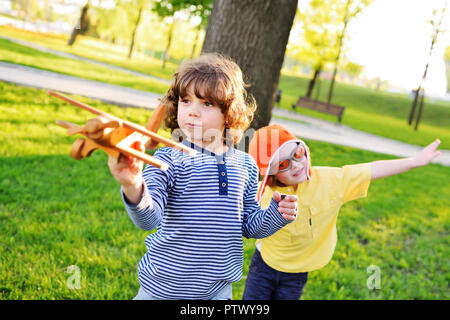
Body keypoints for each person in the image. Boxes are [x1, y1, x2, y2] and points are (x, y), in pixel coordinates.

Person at [107, 54, 298, 300]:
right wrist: (133, 184)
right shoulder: (167, 159)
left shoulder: (246, 165)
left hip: (217, 292)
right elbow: (149, 220)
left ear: (230, 112)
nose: (192, 112)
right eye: (186, 101)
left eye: (206, 103)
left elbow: (249, 223)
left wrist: (276, 215)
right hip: (163, 288)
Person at [243, 124, 441, 300]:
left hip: (298, 271)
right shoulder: (262, 193)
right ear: (270, 172)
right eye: (284, 164)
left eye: (297, 153)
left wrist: (414, 161)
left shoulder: (331, 181)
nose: (297, 165)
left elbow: (371, 169)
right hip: (264, 266)